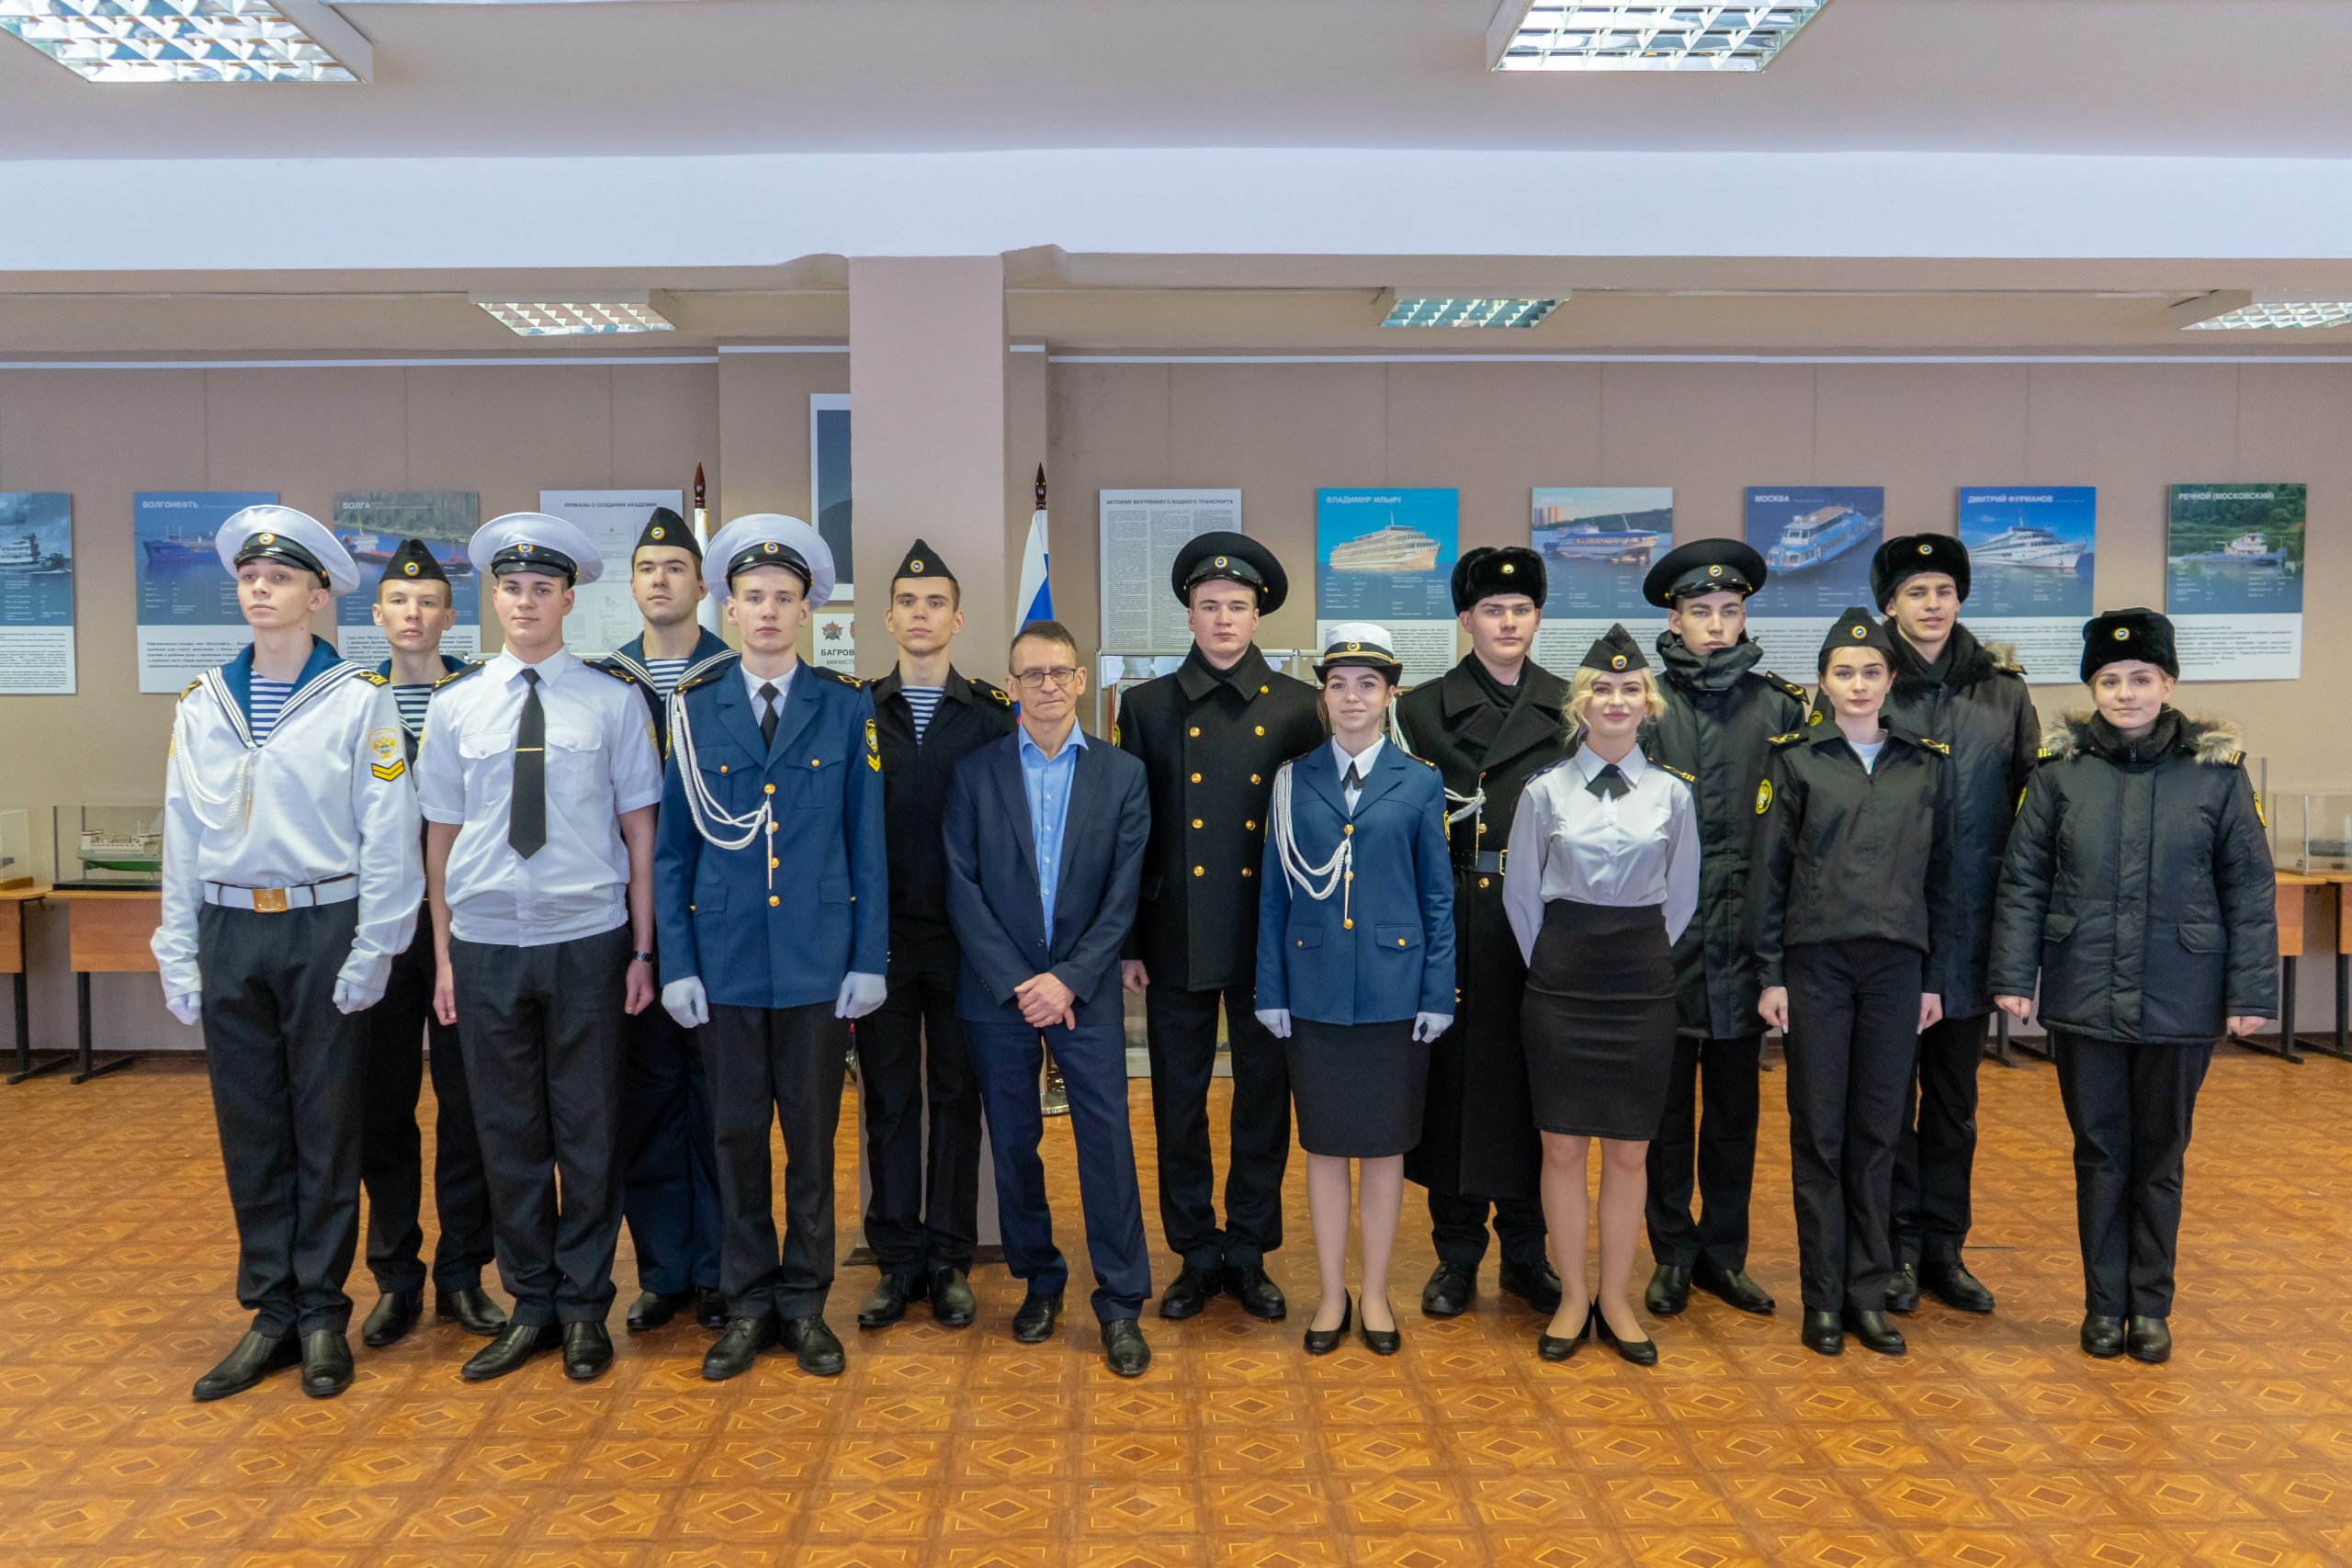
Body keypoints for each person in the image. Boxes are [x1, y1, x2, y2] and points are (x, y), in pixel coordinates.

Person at [153, 506, 423, 1402]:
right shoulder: (204, 703)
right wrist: (179, 948)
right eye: (249, 578)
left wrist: (375, 945)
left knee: (326, 1124)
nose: (259, 590)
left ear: (317, 596)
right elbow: (182, 832)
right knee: (252, 1128)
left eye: (279, 579)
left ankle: (319, 1317)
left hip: (323, 924)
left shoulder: (357, 699)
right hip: (233, 926)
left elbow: (388, 831)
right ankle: (269, 1310)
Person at [415, 513, 665, 1384]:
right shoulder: (455, 707)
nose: (526, 601)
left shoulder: (612, 700)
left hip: (586, 940)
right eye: (512, 587)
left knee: (591, 1126)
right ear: (495, 597)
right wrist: (443, 959)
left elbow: (641, 834)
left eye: (543, 588)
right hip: (484, 945)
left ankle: (586, 1305)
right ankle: (531, 1301)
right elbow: (439, 841)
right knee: (508, 1130)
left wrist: (642, 950)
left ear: (568, 598)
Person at [1989, 608, 2276, 1364]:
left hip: (2182, 994)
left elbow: (2248, 886)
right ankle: (2102, 1303)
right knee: (2099, 1150)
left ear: (2169, 683)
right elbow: (2023, 879)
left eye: (2141, 677)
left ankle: (2150, 1307)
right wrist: (2015, 977)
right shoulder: (2060, 774)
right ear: (2093, 688)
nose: (2125, 692)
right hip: (2084, 994)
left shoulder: (2218, 775)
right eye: (2109, 680)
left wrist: (2252, 994)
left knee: (2160, 1155)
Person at [653, 514, 887, 1382]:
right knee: (736, 1138)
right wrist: (676, 959)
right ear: (730, 604)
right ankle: (747, 1302)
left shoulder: (844, 704)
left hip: (820, 962)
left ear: (808, 611)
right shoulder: (692, 708)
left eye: (784, 598)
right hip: (726, 962)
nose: (766, 612)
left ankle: (805, 1302)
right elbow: (675, 849)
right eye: (752, 597)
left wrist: (871, 956)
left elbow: (869, 844)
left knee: (814, 1142)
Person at [1115, 533, 1321, 1322]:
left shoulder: (1301, 707)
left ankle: (1250, 1246)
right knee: (1180, 1096)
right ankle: (1195, 1250)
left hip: (1270, 933)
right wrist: (1131, 938)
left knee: (1265, 1096)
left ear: (1258, 611)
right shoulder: (1146, 704)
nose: (1224, 618)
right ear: (1190, 614)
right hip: (1177, 932)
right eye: (1210, 605)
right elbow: (1135, 831)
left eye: (1238, 605)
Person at [945, 620, 1156, 1376]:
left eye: (1057, 673)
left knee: (1106, 1141)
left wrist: (1067, 977)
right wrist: (1019, 981)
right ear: (1011, 685)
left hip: (1086, 988)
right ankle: (1040, 1277)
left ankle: (1123, 1301)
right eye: (1029, 674)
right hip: (997, 992)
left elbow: (1124, 892)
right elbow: (961, 887)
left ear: (1079, 680)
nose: (1044, 686)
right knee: (1011, 1141)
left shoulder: (1122, 774)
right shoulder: (975, 773)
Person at [1754, 608, 1952, 1359]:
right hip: (1818, 965)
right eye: (1844, 672)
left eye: (1872, 672)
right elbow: (1770, 875)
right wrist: (1771, 973)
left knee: (1880, 1132)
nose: (1859, 684)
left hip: (1898, 967)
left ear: (1891, 681)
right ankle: (1822, 1298)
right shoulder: (1796, 759)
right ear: (1824, 683)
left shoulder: (1925, 763)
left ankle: (1867, 1293)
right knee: (1820, 1132)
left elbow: (1945, 877)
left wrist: (1933, 976)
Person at [1253, 625, 1454, 1357]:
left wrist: (1439, 990)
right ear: (1323, 693)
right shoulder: (1291, 779)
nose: (1351, 696)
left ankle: (1373, 1292)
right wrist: (1269, 988)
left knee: (1385, 1148)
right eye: (1338, 683)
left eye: (1367, 683)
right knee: (1327, 1146)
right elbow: (1274, 895)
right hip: (1312, 990)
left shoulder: (1420, 780)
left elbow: (1437, 896)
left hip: (1397, 991)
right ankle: (1331, 1292)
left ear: (1390, 692)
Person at [1507, 626, 1699, 1367]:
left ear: (1646, 703)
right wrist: (1560, 963)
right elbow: (1523, 900)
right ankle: (1571, 1296)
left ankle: (1616, 1297)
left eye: (1629, 689)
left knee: (1628, 1150)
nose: (1615, 701)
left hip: (1641, 984)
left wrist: (1632, 957)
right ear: (1580, 705)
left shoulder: (1672, 795)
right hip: (1561, 981)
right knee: (1560, 1145)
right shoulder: (1543, 791)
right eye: (1601, 690)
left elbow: (1678, 901)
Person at [1394, 546, 1567, 1320]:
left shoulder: (1570, 704)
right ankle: (1456, 1255)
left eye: (1521, 609)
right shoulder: (1422, 707)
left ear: (1537, 617)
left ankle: (1528, 1253)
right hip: (1456, 909)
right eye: (1492, 611)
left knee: (1535, 1083)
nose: (1508, 622)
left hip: (1537, 914)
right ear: (1465, 620)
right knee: (1455, 1086)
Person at [1868, 535, 2040, 1318]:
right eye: (1916, 591)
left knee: (1954, 1103)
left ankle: (1945, 1247)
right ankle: (1893, 1245)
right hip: (1888, 929)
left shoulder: (2002, 692)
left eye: (1944, 589)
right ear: (1889, 605)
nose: (1932, 604)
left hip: (1970, 930)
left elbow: (2034, 815)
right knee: (1884, 1099)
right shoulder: (1870, 683)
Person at [1636, 538, 1804, 1320]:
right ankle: (1670, 1253)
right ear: (1674, 616)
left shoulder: (1780, 708)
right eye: (1699, 611)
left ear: (1743, 619)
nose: (1714, 624)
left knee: (1735, 1117)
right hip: (1664, 947)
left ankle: (1723, 1255)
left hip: (1747, 948)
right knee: (1665, 1116)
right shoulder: (1643, 705)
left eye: (1727, 611)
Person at [859, 538, 1014, 1332]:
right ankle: (896, 1261)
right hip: (882, 938)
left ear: (958, 618)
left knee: (958, 1097)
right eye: (908, 603)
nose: (921, 616)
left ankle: (950, 1256)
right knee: (889, 1099)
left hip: (965, 943)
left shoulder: (990, 716)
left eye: (935, 603)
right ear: (888, 618)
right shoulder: (856, 710)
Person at [356, 538, 505, 1349]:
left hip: (464, 924)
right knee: (382, 1106)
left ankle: (462, 1272)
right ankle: (395, 1275)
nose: (414, 615)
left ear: (451, 617)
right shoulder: (350, 700)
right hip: (383, 927)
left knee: (467, 1102)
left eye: (428, 604)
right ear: (376, 615)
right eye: (398, 603)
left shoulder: (481, 696)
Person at [594, 507, 731, 1336]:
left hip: (720, 918)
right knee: (645, 1100)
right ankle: (664, 1268)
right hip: (631, 922)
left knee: (719, 1102)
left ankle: (719, 1267)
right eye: (648, 568)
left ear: (702, 584)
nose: (660, 580)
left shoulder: (733, 673)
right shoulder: (603, 681)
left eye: (676, 567)